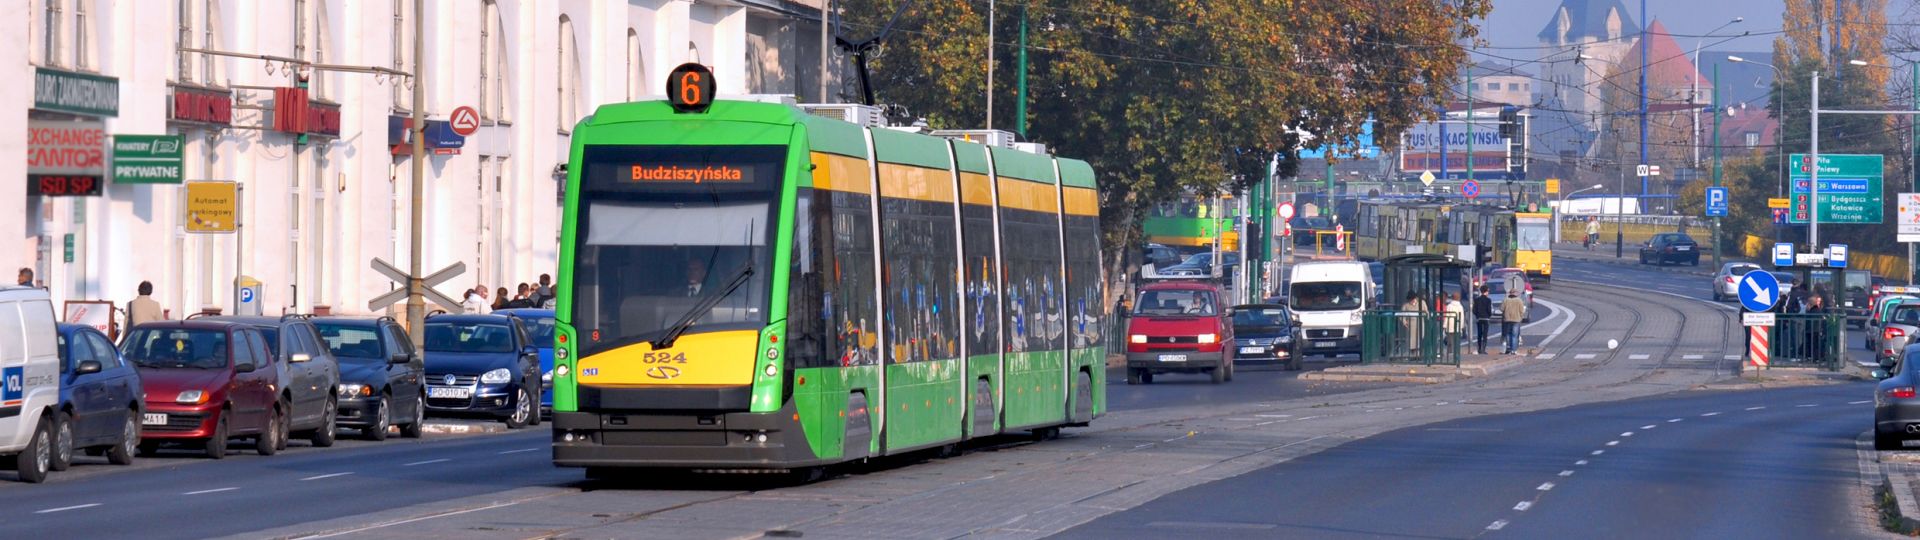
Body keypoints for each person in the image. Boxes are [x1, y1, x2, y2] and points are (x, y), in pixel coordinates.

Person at [1501, 289, 1527, 354]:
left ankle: (1508, 348)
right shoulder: (1519, 300)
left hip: (1507, 319)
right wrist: (1521, 317)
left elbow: (1501, 309)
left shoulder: (1505, 300)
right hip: (1516, 320)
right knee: (1514, 335)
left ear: (1510, 293)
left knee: (1508, 334)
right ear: (1516, 293)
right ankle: (1514, 350)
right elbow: (1522, 311)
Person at [1472, 287, 1493, 355]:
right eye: (1488, 291)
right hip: (1486, 318)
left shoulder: (1477, 300)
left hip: (1479, 318)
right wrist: (1489, 315)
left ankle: (1479, 349)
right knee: (1485, 334)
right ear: (1486, 292)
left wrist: (1477, 315)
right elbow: (1489, 309)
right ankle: (1483, 349)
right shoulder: (1488, 300)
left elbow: (1474, 310)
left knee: (1479, 333)